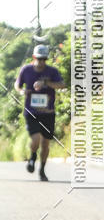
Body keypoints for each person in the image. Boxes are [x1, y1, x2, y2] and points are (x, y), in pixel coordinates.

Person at [14, 44, 66, 182]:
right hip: (31, 112)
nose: (42, 61)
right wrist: (22, 91)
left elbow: (62, 84)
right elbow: (17, 85)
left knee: (45, 144)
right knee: (36, 139)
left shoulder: (52, 71)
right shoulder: (26, 70)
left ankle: (42, 170)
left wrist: (48, 83)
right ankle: (32, 156)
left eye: (44, 59)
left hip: (48, 112)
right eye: (39, 58)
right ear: (34, 57)